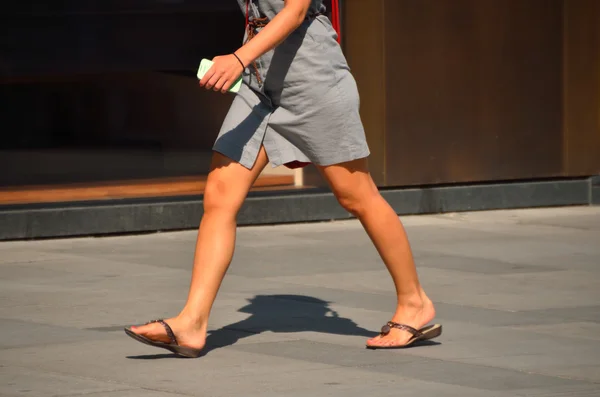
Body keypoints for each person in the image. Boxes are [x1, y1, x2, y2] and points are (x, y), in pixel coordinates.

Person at [125, 0, 441, 358]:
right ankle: (192, 322)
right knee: (219, 195)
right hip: (259, 85)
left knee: (356, 195)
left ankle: (415, 303)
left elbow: (293, 12)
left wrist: (239, 57)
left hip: (311, 81)